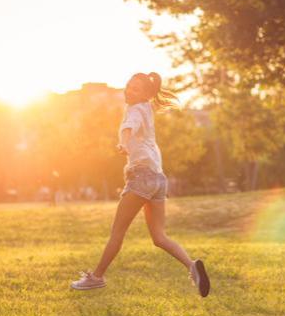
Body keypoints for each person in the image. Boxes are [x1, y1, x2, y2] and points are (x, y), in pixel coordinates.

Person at [70, 72, 211, 297]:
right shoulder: (147, 108)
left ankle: (96, 277)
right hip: (158, 179)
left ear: (145, 94)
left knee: (117, 232)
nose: (129, 90)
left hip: (142, 177)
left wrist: (123, 143)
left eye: (135, 89)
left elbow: (129, 127)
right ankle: (192, 266)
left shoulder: (135, 110)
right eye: (128, 85)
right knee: (159, 237)